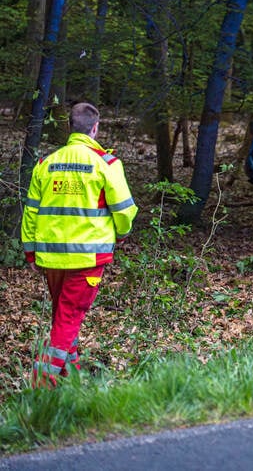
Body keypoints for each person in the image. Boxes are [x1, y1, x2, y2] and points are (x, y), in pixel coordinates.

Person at [21, 102, 138, 388]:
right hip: (87, 258)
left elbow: (31, 212)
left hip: (50, 258)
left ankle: (73, 381)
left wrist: (30, 251)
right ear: (95, 129)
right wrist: (120, 235)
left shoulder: (45, 164)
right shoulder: (106, 164)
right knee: (69, 318)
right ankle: (41, 384)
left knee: (63, 316)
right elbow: (124, 211)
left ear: (69, 127)